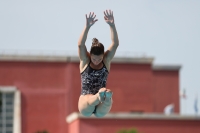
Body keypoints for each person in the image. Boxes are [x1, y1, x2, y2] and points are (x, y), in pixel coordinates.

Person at [78, 9, 119, 118]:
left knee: (104, 107)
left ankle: (105, 97)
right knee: (89, 101)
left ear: (103, 56)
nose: (96, 61)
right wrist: (87, 27)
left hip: (101, 104)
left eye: (99, 59)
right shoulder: (85, 61)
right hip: (86, 101)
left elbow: (115, 44)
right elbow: (80, 45)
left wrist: (112, 25)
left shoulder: (106, 60)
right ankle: (99, 96)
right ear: (90, 55)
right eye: (94, 59)